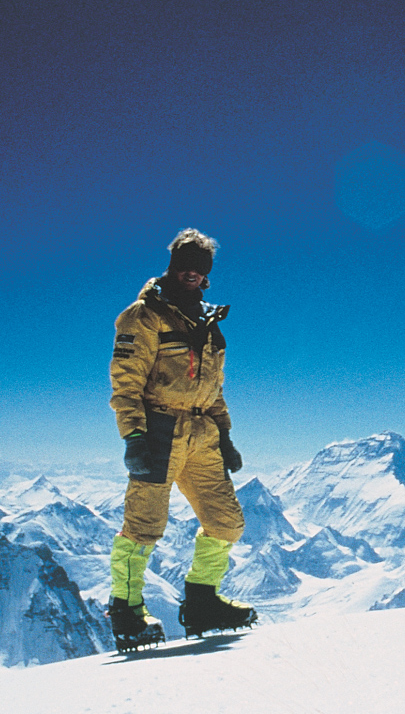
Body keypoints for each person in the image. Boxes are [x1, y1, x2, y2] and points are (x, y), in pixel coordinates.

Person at [105, 228, 255, 651]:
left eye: (199, 268)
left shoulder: (207, 321)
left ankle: (203, 603)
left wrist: (225, 435)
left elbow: (214, 387)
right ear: (173, 265)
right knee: (144, 525)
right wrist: (133, 435)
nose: (191, 273)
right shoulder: (144, 315)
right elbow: (125, 383)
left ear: (206, 274)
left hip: (203, 432)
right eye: (184, 265)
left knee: (226, 522)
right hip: (159, 430)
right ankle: (126, 611)